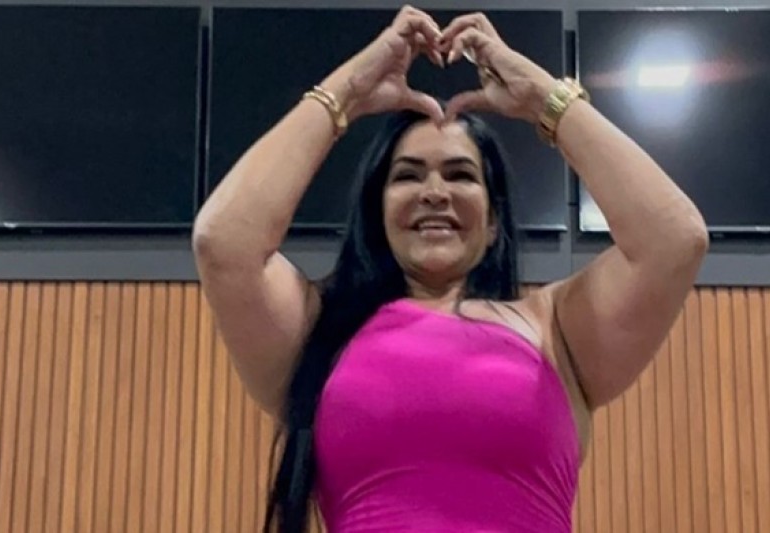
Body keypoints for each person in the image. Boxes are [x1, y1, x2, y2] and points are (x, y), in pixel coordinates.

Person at [193, 6, 709, 532]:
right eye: (408, 176)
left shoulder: (558, 329)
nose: (434, 192)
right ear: (378, 212)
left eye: (460, 174)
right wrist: (347, 91)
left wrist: (543, 98)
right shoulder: (315, 331)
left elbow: (674, 239)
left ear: (493, 222)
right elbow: (223, 242)